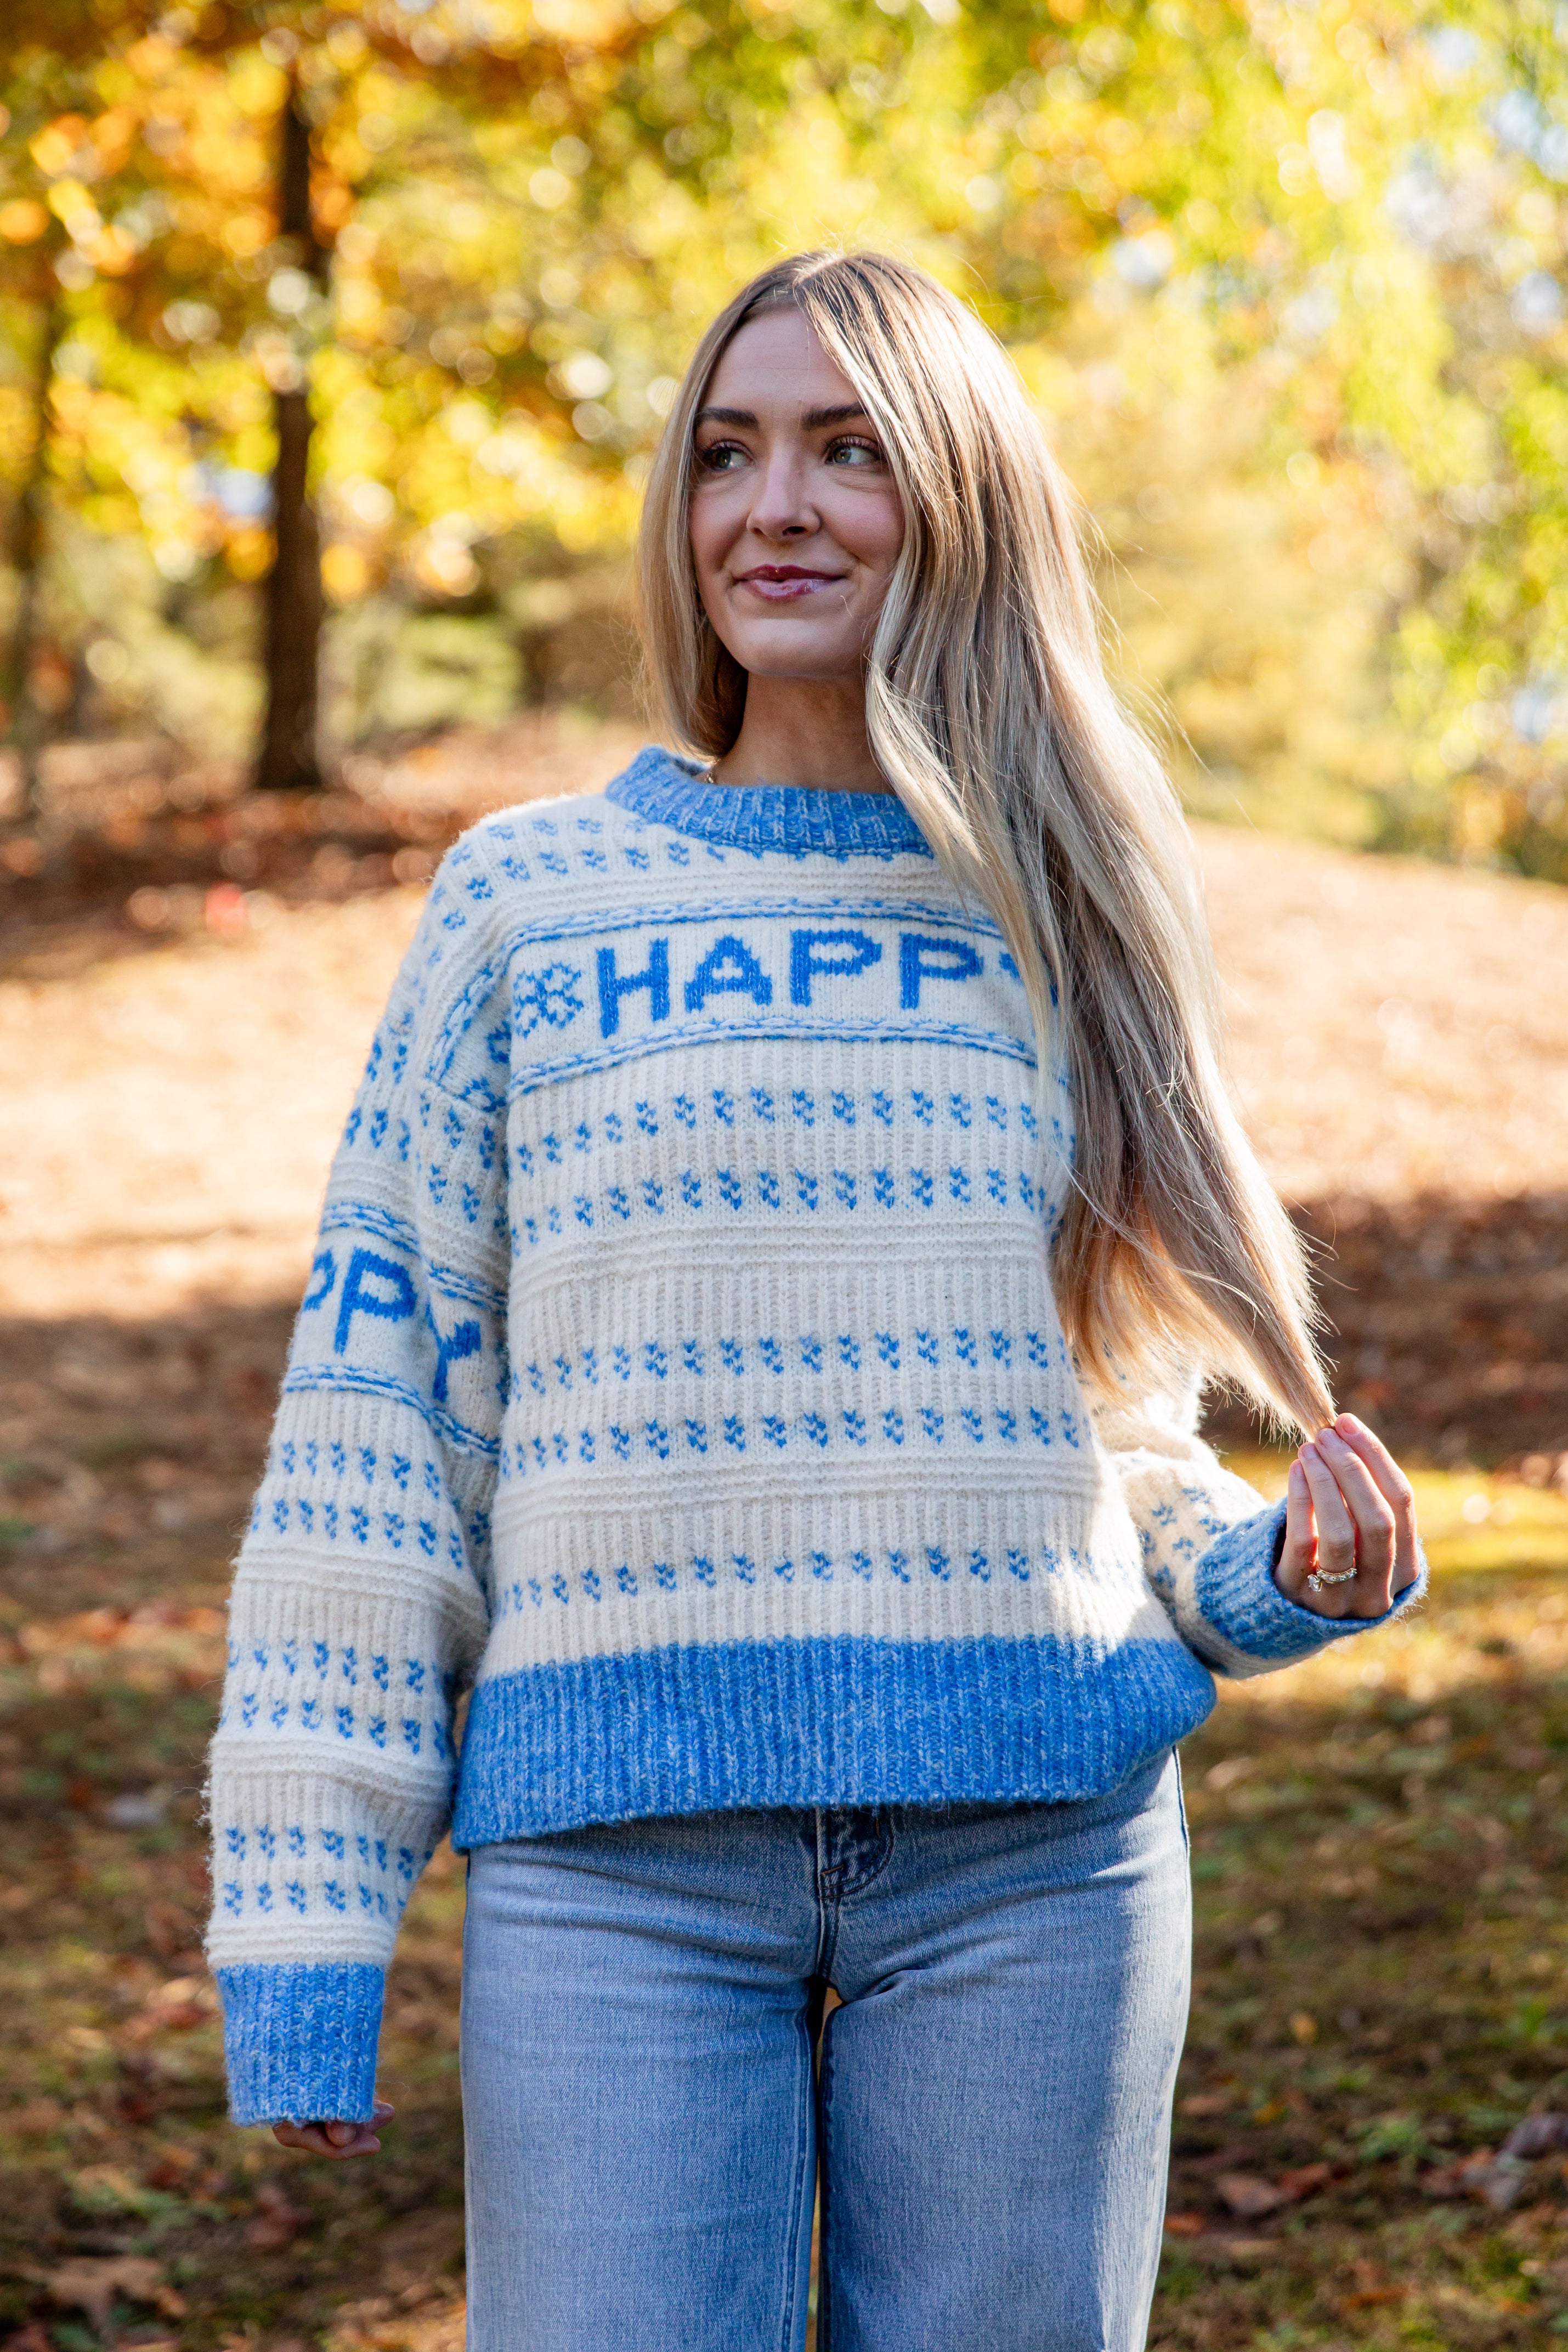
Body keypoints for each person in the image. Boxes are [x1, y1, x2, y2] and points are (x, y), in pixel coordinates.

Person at [207, 251, 1424, 2351]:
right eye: (728, 450)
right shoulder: (527, 902)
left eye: (850, 450)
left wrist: (1274, 1576)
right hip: (620, 1864)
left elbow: (1116, 1422)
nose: (776, 503)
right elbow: (384, 1414)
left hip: (1034, 1862)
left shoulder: (1075, 906)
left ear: (958, 498)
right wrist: (304, 1924)